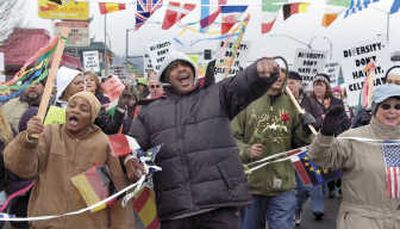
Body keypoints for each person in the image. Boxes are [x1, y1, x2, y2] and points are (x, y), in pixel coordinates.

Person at [125, 51, 279, 228]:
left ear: (194, 72)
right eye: (174, 67)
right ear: (166, 77)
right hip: (175, 209)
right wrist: (129, 159)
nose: (181, 69)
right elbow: (132, 146)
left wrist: (258, 71)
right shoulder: (149, 113)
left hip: (220, 202)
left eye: (185, 65)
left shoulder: (218, 95)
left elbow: (243, 84)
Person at [3, 91, 135, 228]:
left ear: (92, 116)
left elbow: (117, 197)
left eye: (84, 109)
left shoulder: (103, 144)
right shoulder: (49, 134)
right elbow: (21, 168)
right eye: (72, 106)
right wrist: (28, 140)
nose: (75, 111)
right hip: (48, 224)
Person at [309, 83, 400, 229]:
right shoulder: (354, 138)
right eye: (386, 106)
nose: (392, 111)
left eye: (398, 107)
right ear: (375, 109)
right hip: (362, 221)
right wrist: (325, 135)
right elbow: (321, 158)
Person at [231, 68, 314, 229]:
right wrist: (247, 151)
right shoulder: (246, 102)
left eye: (282, 76)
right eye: (274, 75)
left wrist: (306, 128)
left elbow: (302, 142)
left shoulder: (292, 104)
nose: (278, 79)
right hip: (251, 185)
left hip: (283, 184)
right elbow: (232, 137)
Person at [286, 71, 326, 225]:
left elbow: (320, 121)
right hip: (286, 151)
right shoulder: (281, 101)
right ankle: (289, 212)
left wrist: (311, 121)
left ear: (299, 84)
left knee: (305, 188)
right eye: (287, 82)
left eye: (292, 82)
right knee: (288, 188)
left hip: (304, 151)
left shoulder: (310, 102)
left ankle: (297, 208)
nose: (289, 86)